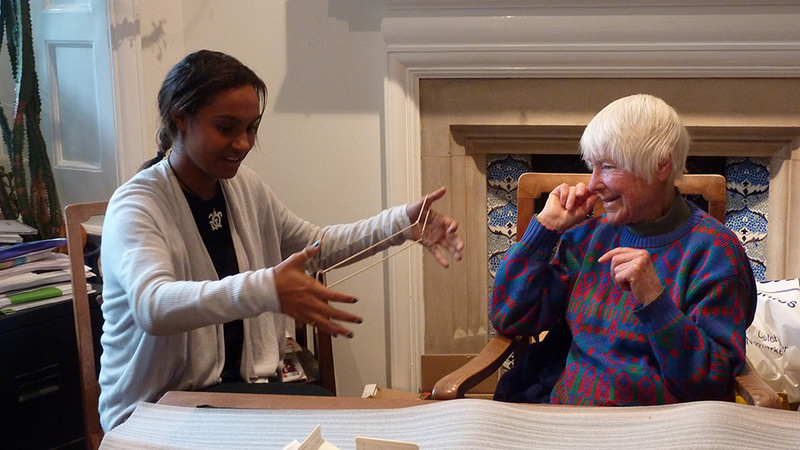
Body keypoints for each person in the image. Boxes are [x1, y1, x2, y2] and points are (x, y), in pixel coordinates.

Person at [98, 49, 464, 431]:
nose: (243, 143)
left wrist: (401, 225)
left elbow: (316, 247)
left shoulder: (245, 187)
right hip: (151, 415)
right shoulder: (136, 206)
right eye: (226, 127)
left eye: (251, 128)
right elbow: (153, 306)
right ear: (180, 118)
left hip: (233, 398)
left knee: (338, 422)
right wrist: (269, 288)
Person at [490, 94, 756, 406]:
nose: (593, 184)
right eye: (592, 167)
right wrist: (544, 230)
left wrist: (655, 301)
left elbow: (714, 382)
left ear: (661, 165)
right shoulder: (588, 238)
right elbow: (509, 318)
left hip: (659, 425)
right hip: (567, 416)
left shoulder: (715, 252)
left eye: (608, 167)